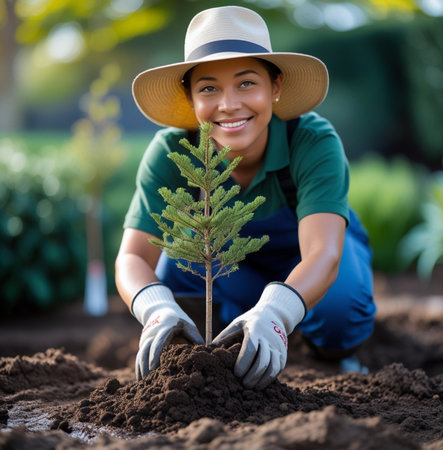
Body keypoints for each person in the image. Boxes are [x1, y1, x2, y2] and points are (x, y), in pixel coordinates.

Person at [115, 5, 376, 390]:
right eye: (208, 88)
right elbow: (133, 257)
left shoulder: (311, 141)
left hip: (306, 262)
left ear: (276, 87)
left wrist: (277, 311)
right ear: (190, 99)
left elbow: (324, 253)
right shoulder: (173, 153)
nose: (229, 104)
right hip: (228, 272)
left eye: (247, 83)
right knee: (177, 266)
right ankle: (225, 340)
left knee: (341, 313)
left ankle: (323, 351)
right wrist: (155, 308)